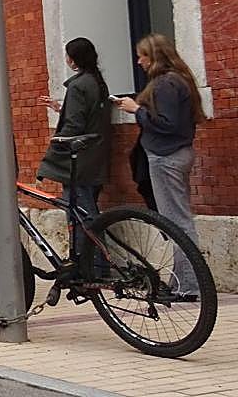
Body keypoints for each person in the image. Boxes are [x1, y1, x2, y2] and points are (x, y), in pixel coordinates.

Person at [117, 33, 206, 299]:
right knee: (177, 219)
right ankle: (183, 282)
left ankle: (189, 286)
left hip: (166, 156)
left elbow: (167, 123)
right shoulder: (178, 80)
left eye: (142, 56)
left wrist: (136, 110)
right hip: (174, 154)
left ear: (154, 57)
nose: (139, 61)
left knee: (176, 222)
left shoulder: (166, 83)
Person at [38, 38, 111, 260]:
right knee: (87, 210)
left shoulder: (78, 85)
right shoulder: (96, 81)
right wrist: (61, 108)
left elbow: (74, 126)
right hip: (95, 155)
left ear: (73, 60)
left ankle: (92, 265)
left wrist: (55, 146)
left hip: (79, 159)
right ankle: (92, 263)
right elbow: (88, 116)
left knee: (82, 215)